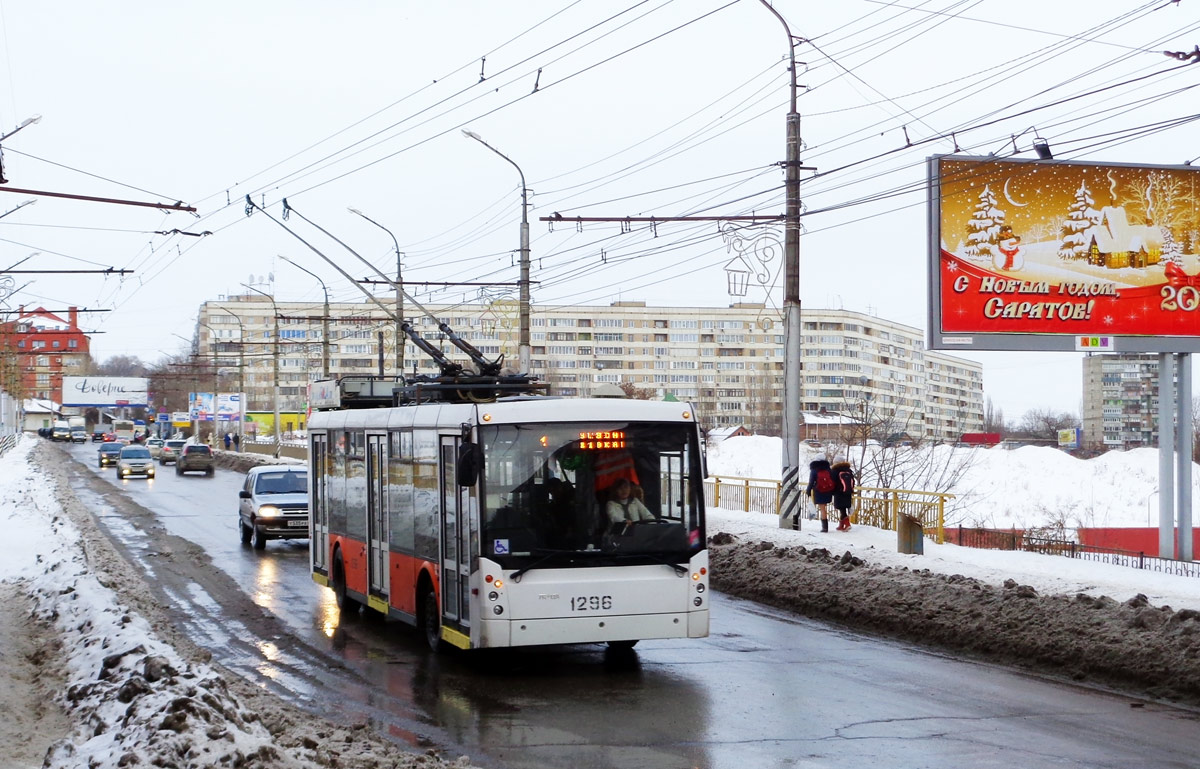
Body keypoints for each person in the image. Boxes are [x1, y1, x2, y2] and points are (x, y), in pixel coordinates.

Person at [806, 452, 834, 532]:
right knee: (824, 508)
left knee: (822, 509)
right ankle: (825, 526)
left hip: (819, 490)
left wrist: (808, 491)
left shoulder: (814, 470)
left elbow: (811, 482)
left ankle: (825, 528)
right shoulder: (828, 469)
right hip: (828, 490)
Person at [830, 453, 855, 531]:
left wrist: (832, 491)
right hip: (847, 492)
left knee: (841, 508)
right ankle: (841, 525)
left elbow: (832, 481)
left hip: (839, 492)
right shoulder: (849, 470)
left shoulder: (835, 471)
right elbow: (853, 481)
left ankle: (847, 524)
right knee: (843, 508)